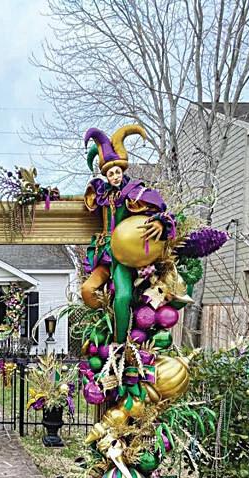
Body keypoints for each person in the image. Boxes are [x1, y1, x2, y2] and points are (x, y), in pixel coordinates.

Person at [81, 125, 175, 342]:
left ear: (122, 171)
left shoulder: (135, 193)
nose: (115, 176)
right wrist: (48, 196)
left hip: (125, 255)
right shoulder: (100, 193)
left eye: (117, 172)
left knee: (122, 296)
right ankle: (107, 318)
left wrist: (160, 223)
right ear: (105, 175)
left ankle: (120, 343)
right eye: (110, 173)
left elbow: (162, 211)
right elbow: (76, 202)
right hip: (105, 253)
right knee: (87, 290)